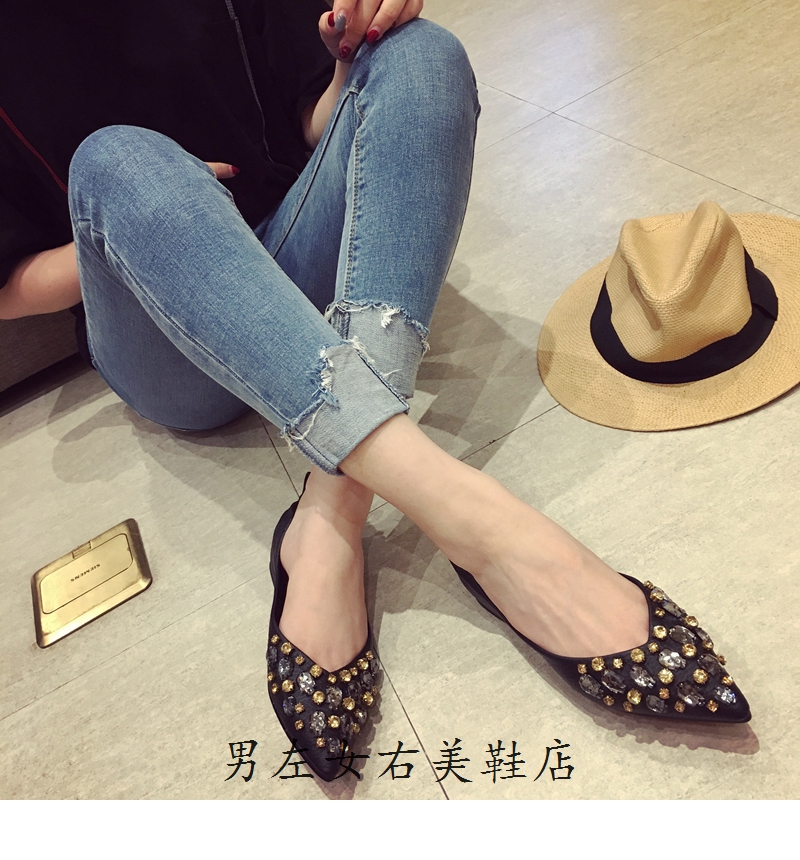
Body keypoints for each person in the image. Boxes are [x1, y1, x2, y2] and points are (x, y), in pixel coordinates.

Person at [1, 0, 748, 781]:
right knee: (115, 160)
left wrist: (347, 62)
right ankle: (481, 523)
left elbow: (310, 124)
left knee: (424, 56)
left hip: (287, 242)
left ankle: (332, 510)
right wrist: (149, 220)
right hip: (158, 330)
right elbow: (9, 285)